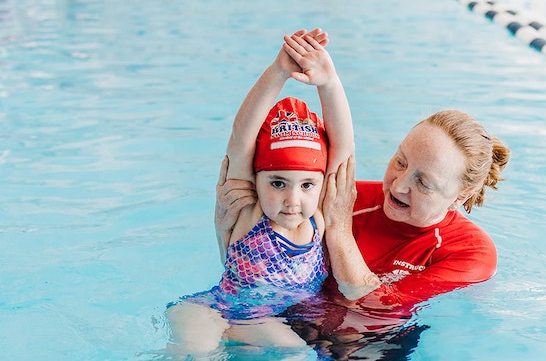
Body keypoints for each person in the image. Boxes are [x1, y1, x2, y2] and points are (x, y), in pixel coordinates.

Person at [165, 27, 355, 354]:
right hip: (218, 313)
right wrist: (279, 70)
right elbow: (241, 137)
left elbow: (344, 151)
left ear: (322, 183)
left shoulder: (318, 222)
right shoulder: (249, 215)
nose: (292, 200)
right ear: (257, 180)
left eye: (307, 184)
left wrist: (329, 82)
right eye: (277, 183)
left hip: (267, 327)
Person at [218, 109, 510, 315]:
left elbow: (379, 307)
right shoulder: (343, 196)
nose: (398, 186)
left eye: (423, 182)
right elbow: (254, 258)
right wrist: (222, 226)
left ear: (460, 197)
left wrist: (340, 229)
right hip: (290, 313)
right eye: (400, 161)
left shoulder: (471, 253)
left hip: (374, 343)